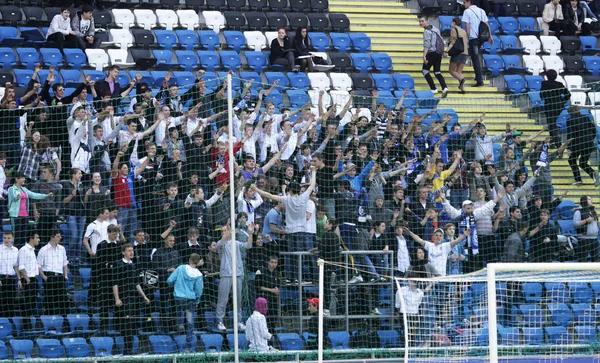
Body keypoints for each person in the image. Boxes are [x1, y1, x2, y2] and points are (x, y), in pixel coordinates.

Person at [252, 166, 317, 283]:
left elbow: (270, 196)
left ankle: (290, 278)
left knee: (290, 255)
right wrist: (313, 171)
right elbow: (312, 185)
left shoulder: (287, 199)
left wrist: (256, 190)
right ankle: (298, 278)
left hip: (290, 232)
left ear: (290, 191)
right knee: (299, 256)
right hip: (301, 231)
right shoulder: (304, 198)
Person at [112, 243, 151, 355]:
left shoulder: (133, 265)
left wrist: (144, 296)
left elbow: (136, 283)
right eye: (129, 250)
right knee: (126, 324)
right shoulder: (118, 264)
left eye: (132, 250)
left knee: (133, 324)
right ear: (123, 252)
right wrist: (117, 299)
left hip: (133, 298)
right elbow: (115, 283)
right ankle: (126, 350)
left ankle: (130, 348)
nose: (131, 252)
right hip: (124, 298)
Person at [215, 223, 254, 331]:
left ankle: (238, 321)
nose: (225, 233)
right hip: (226, 274)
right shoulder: (220, 244)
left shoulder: (236, 243)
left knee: (238, 300)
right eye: (223, 231)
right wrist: (226, 232)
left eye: (226, 231)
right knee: (223, 299)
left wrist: (250, 233)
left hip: (238, 273)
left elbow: (249, 245)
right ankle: (220, 321)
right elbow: (220, 244)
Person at [167, 253, 204, 352]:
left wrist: (176, 284)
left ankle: (179, 323)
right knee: (190, 323)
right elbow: (199, 291)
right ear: (198, 262)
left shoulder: (181, 268)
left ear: (189, 259)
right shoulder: (198, 274)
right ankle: (188, 347)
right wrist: (197, 300)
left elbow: (169, 280)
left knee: (179, 310)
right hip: (190, 299)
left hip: (178, 297)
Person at [8, 172, 53, 248]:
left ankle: (22, 252)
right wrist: (17, 196)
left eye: (24, 178)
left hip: (25, 215)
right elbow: (14, 196)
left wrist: (45, 195)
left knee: (23, 236)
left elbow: (34, 195)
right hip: (16, 216)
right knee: (16, 236)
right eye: (22, 178)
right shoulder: (11, 189)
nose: (24, 179)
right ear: (17, 179)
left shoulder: (24, 189)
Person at [152, 233, 181, 333]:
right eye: (170, 241)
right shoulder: (158, 253)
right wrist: (167, 270)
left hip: (174, 283)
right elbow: (155, 267)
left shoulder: (176, 253)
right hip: (163, 282)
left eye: (173, 241)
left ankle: (174, 325)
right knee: (164, 304)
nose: (172, 243)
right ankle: (164, 327)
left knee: (174, 305)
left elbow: (179, 266)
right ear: (165, 241)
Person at [37, 230, 69, 316]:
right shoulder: (43, 250)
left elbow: (65, 263)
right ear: (52, 237)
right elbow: (38, 266)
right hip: (49, 276)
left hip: (59, 277)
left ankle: (65, 323)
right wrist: (44, 277)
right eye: (58, 236)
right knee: (50, 301)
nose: (60, 238)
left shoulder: (62, 249)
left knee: (63, 301)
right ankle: (50, 322)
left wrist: (65, 276)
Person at [461, 0, 493, 87]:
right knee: (474, 55)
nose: (463, 4)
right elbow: (487, 25)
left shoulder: (467, 12)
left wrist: (467, 37)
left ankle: (479, 80)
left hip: (473, 37)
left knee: (475, 59)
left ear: (468, 2)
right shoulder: (481, 10)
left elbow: (467, 26)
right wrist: (490, 36)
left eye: (464, 2)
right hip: (481, 37)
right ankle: (478, 77)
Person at [566, 106, 597, 185]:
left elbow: (570, 134)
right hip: (588, 144)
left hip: (578, 144)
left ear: (570, 113)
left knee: (572, 160)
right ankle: (594, 175)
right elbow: (593, 129)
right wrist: (590, 139)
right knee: (583, 163)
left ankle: (578, 180)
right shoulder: (585, 117)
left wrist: (569, 148)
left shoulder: (570, 120)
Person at [419, 16, 448, 97]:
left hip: (431, 53)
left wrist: (424, 56)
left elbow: (427, 44)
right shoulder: (436, 29)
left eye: (422, 21)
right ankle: (444, 87)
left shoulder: (426, 31)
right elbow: (441, 40)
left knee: (425, 71)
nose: (421, 23)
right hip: (439, 53)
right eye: (420, 21)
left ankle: (433, 88)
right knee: (437, 71)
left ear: (427, 21)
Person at [541, 70, 571, 147]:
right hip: (558, 107)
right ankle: (553, 141)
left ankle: (557, 143)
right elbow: (568, 94)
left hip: (549, 107)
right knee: (552, 124)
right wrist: (562, 102)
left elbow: (542, 94)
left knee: (551, 124)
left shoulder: (545, 84)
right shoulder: (559, 84)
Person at [18, 232, 41, 327]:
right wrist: (27, 280)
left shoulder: (32, 250)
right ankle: (26, 326)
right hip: (28, 280)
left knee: (32, 304)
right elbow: (21, 267)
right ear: (31, 239)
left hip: (33, 279)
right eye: (37, 237)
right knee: (27, 304)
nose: (39, 239)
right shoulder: (24, 250)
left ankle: (29, 325)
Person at [255, 256, 281, 330]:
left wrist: (277, 290)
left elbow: (278, 287)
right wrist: (271, 290)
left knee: (273, 319)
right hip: (263, 299)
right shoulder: (260, 271)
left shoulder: (277, 274)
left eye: (275, 263)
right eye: (272, 262)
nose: (274, 264)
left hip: (273, 300)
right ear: (268, 262)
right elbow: (258, 287)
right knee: (263, 320)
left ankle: (271, 335)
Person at [445, 17, 469, 94]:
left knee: (451, 70)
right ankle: (462, 89)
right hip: (465, 53)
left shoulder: (454, 30)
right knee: (458, 72)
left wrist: (446, 51)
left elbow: (452, 42)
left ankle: (462, 79)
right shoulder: (463, 31)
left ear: (454, 22)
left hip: (457, 52)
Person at [573, 195, 600, 262]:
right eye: (589, 199)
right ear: (584, 201)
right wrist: (586, 221)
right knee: (583, 259)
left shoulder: (593, 212)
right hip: (584, 238)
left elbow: (596, 223)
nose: (591, 200)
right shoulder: (578, 212)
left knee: (595, 259)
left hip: (594, 238)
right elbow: (575, 224)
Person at [0, 231, 20, 318]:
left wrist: (19, 279)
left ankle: (10, 323)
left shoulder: (15, 250)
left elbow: (16, 266)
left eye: (8, 238)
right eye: (4, 238)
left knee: (10, 301)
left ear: (12, 239)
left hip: (11, 279)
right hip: (1, 278)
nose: (6, 240)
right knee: (1, 302)